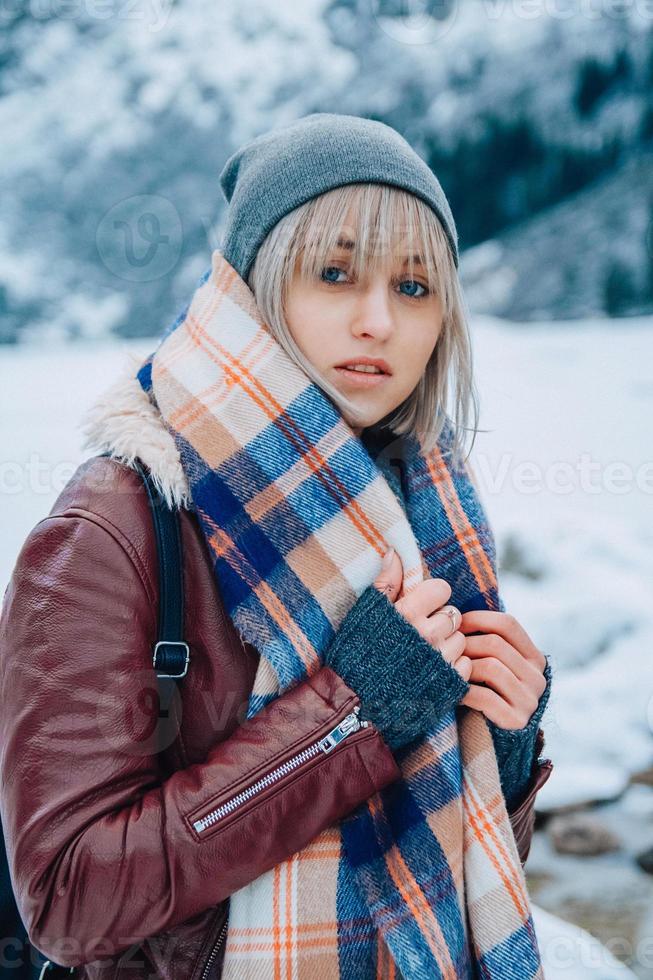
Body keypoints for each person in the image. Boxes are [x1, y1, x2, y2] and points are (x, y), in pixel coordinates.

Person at [0, 113, 553, 979]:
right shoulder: (115, 526)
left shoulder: (424, 510)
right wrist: (349, 716)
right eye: (335, 274)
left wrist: (501, 744)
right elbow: (69, 901)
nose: (377, 321)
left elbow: (441, 864)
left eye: (413, 287)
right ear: (254, 291)